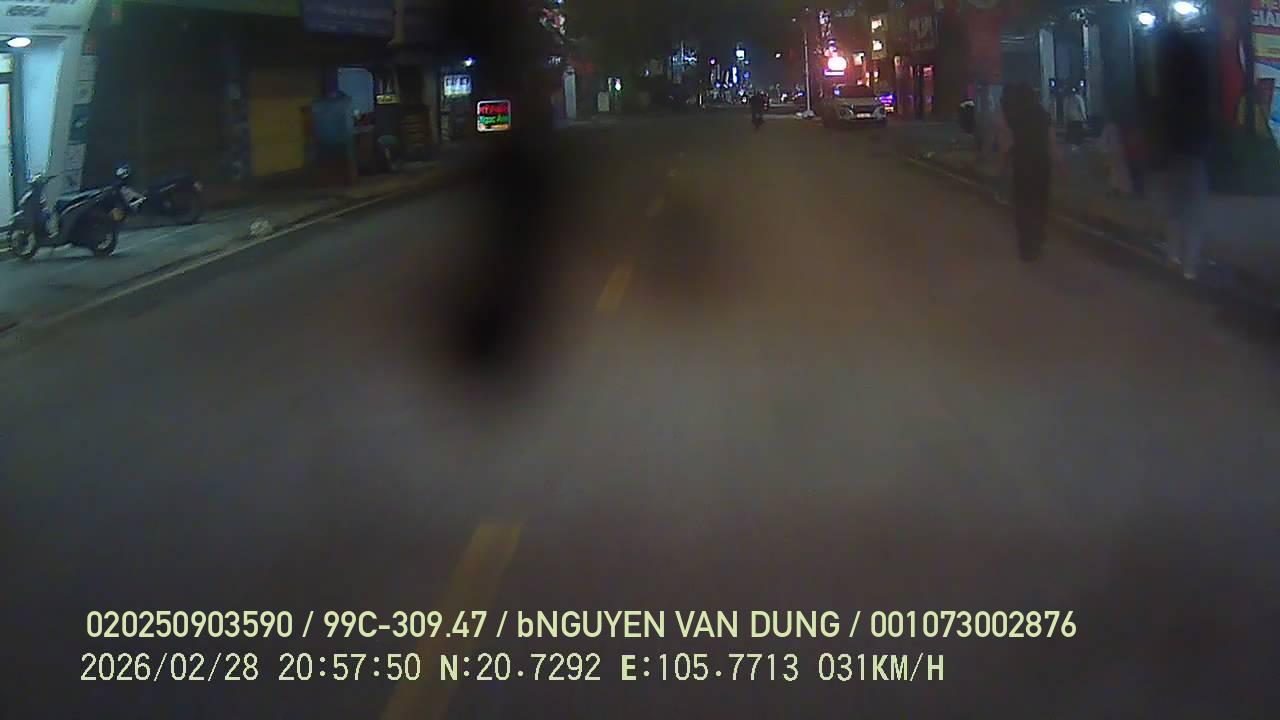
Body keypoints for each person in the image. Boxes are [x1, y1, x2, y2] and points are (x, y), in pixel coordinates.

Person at [1000, 83, 1059, 262]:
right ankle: (1037, 236)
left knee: (1022, 204)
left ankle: (1026, 243)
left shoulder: (1013, 116)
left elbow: (1007, 144)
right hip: (1041, 165)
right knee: (1040, 202)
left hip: (1021, 165)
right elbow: (1051, 142)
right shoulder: (1043, 115)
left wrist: (1002, 167)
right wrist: (1060, 165)